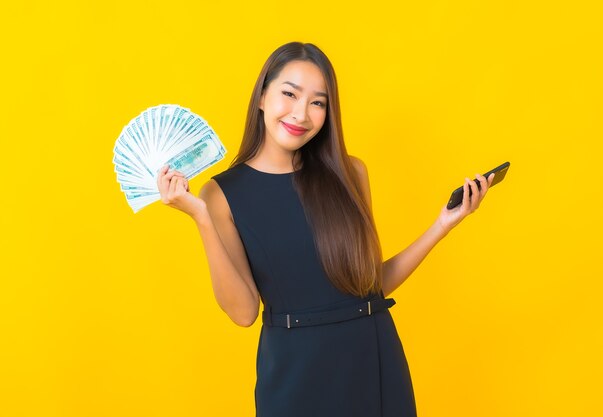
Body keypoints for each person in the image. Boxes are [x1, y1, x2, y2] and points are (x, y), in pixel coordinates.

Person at [156, 41, 495, 417]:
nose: (301, 114)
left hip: (375, 360)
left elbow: (369, 284)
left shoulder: (350, 173)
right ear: (262, 96)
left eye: (318, 102)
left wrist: (442, 225)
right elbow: (243, 312)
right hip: (296, 375)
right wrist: (201, 217)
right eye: (289, 94)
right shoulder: (220, 194)